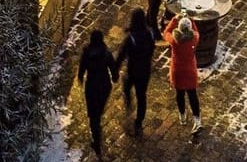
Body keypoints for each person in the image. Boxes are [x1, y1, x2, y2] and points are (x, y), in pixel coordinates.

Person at [77, 27, 118, 159]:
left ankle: (96, 139)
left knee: (93, 115)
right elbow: (113, 70)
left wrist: (80, 78)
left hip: (91, 87)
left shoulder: (86, 53)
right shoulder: (106, 53)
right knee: (98, 111)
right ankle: (97, 126)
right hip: (104, 86)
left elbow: (82, 69)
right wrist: (115, 77)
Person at [115, 8, 156, 139]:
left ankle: (129, 106)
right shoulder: (149, 33)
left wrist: (115, 70)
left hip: (133, 70)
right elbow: (152, 49)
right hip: (145, 71)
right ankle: (139, 121)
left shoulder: (130, 38)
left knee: (127, 87)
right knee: (142, 96)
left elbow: (121, 56)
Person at [163, 13, 202, 134]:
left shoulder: (174, 40)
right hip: (190, 71)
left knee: (180, 94)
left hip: (178, 71)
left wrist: (175, 20)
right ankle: (197, 120)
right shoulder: (194, 38)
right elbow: (196, 31)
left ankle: (182, 117)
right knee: (192, 95)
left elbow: (166, 32)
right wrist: (190, 19)